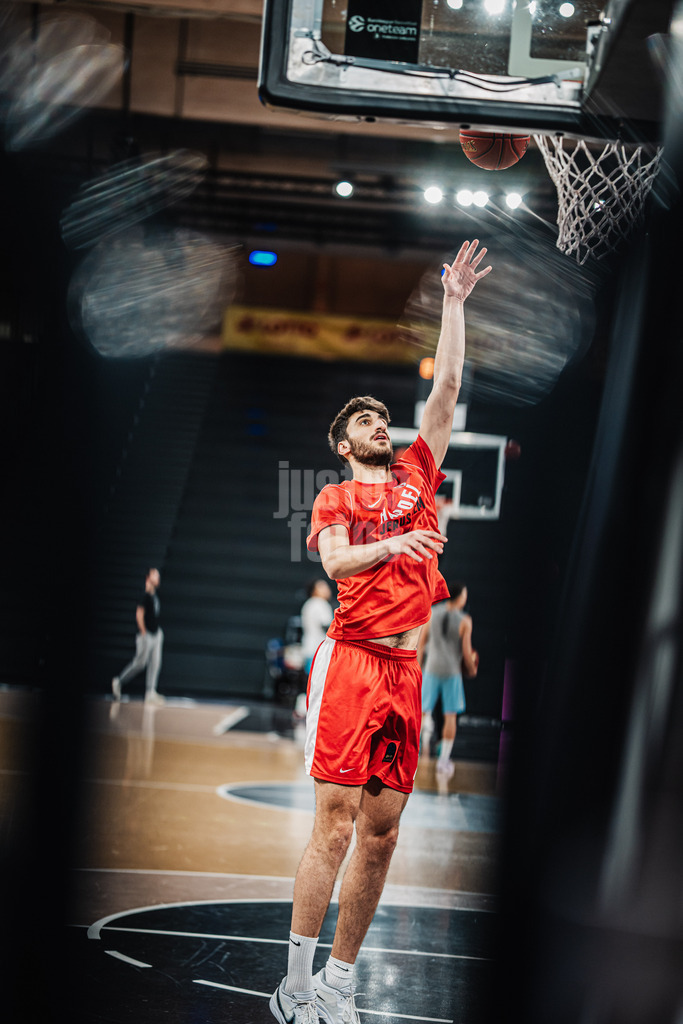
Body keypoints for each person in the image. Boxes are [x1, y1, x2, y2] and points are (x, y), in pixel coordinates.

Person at [269, 239, 492, 1024]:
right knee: (332, 827)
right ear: (342, 443)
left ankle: (337, 981)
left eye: (381, 417)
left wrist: (454, 304)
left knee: (383, 835)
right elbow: (335, 564)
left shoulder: (418, 477)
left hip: (404, 675)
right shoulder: (334, 496)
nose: (379, 424)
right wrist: (393, 544)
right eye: (364, 420)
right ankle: (291, 988)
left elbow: (451, 385)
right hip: (353, 663)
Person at [417, 580, 479, 778]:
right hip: (452, 671)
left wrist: (417, 667)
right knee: (450, 715)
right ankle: (443, 761)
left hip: (431, 667)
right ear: (460, 597)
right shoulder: (465, 620)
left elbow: (420, 643)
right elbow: (466, 653)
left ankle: (419, 750)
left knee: (423, 711)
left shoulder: (432, 612)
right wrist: (472, 668)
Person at [111, 567, 165, 705]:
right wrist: (144, 633)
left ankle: (150, 692)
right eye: (154, 575)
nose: (157, 578)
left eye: (158, 576)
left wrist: (157, 633)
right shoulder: (145, 595)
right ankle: (119, 681)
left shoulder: (154, 596)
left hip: (155, 634)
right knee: (140, 663)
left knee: (155, 663)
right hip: (146, 635)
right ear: (148, 577)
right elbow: (139, 615)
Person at [301, 579, 334, 676]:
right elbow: (327, 627)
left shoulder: (308, 604)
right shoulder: (320, 603)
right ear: (314, 590)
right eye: (322, 587)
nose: (326, 589)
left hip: (309, 648)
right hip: (319, 650)